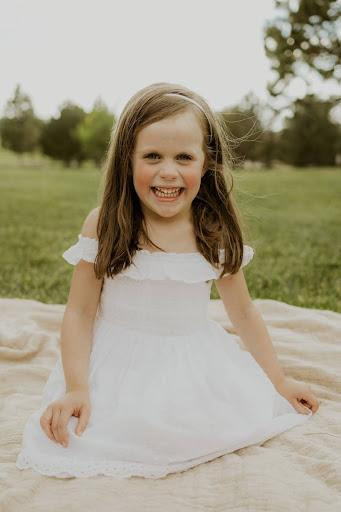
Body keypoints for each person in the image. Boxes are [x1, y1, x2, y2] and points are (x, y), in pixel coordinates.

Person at [16, 82, 319, 479]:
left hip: (192, 358)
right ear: (128, 159)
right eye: (152, 156)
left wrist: (277, 380)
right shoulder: (106, 223)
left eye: (184, 157)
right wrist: (77, 386)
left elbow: (243, 312)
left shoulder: (213, 230)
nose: (168, 171)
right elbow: (79, 311)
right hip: (116, 361)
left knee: (201, 424)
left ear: (206, 163)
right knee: (93, 433)